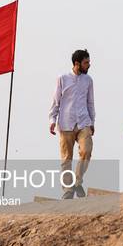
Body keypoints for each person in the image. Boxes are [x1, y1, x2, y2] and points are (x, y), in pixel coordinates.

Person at [48, 49, 95, 199]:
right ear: (77, 63)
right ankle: (68, 190)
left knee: (86, 151)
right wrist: (52, 120)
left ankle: (77, 181)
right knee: (66, 159)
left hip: (83, 122)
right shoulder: (62, 78)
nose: (89, 65)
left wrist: (92, 121)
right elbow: (56, 101)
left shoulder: (88, 81)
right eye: (86, 62)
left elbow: (90, 102)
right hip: (65, 123)